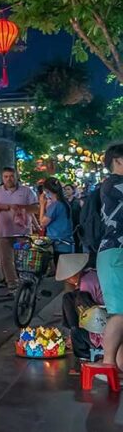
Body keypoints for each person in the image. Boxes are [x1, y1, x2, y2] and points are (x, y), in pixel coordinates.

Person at [0, 166, 38, 290]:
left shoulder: (27, 191)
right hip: (3, 232)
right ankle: (12, 284)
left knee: (23, 259)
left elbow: (36, 208)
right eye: (6, 177)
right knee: (6, 260)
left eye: (11, 176)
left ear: (16, 176)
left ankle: (25, 282)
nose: (9, 179)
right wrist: (1, 207)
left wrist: (20, 208)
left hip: (23, 233)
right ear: (2, 178)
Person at [96, 144, 123, 371]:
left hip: (114, 253)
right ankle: (107, 366)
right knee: (120, 313)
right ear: (118, 161)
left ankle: (117, 366)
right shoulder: (114, 183)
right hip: (115, 252)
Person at [56, 253, 104, 368]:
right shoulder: (89, 274)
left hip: (101, 322)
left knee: (76, 328)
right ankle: (72, 333)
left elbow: (87, 312)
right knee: (68, 298)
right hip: (97, 314)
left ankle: (83, 352)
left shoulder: (87, 283)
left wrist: (75, 331)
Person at [40, 177, 74, 260]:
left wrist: (42, 205)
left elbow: (42, 222)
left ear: (47, 191)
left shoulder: (55, 205)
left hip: (59, 244)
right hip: (66, 243)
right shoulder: (64, 203)